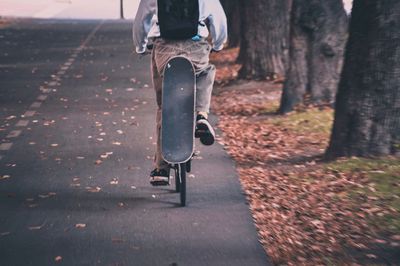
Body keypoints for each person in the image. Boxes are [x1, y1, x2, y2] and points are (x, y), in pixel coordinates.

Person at [132, 0, 227, 185]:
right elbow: (219, 20)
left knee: (163, 106)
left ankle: (161, 169)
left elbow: (141, 21)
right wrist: (218, 44)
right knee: (206, 71)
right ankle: (201, 115)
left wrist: (141, 47)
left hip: (164, 50)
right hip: (196, 48)